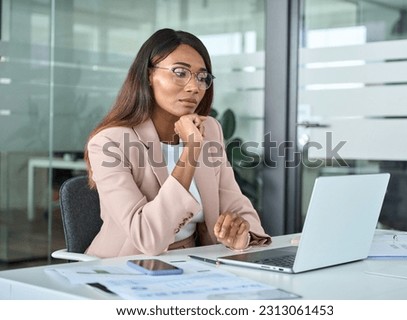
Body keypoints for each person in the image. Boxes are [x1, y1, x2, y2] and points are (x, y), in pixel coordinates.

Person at [84, 28, 271, 258]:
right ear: (148, 75)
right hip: (127, 267)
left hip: (194, 262)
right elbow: (147, 237)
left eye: (202, 77)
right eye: (180, 72)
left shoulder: (210, 129)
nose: (194, 87)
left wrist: (242, 234)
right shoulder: (109, 143)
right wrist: (191, 150)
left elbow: (235, 203)